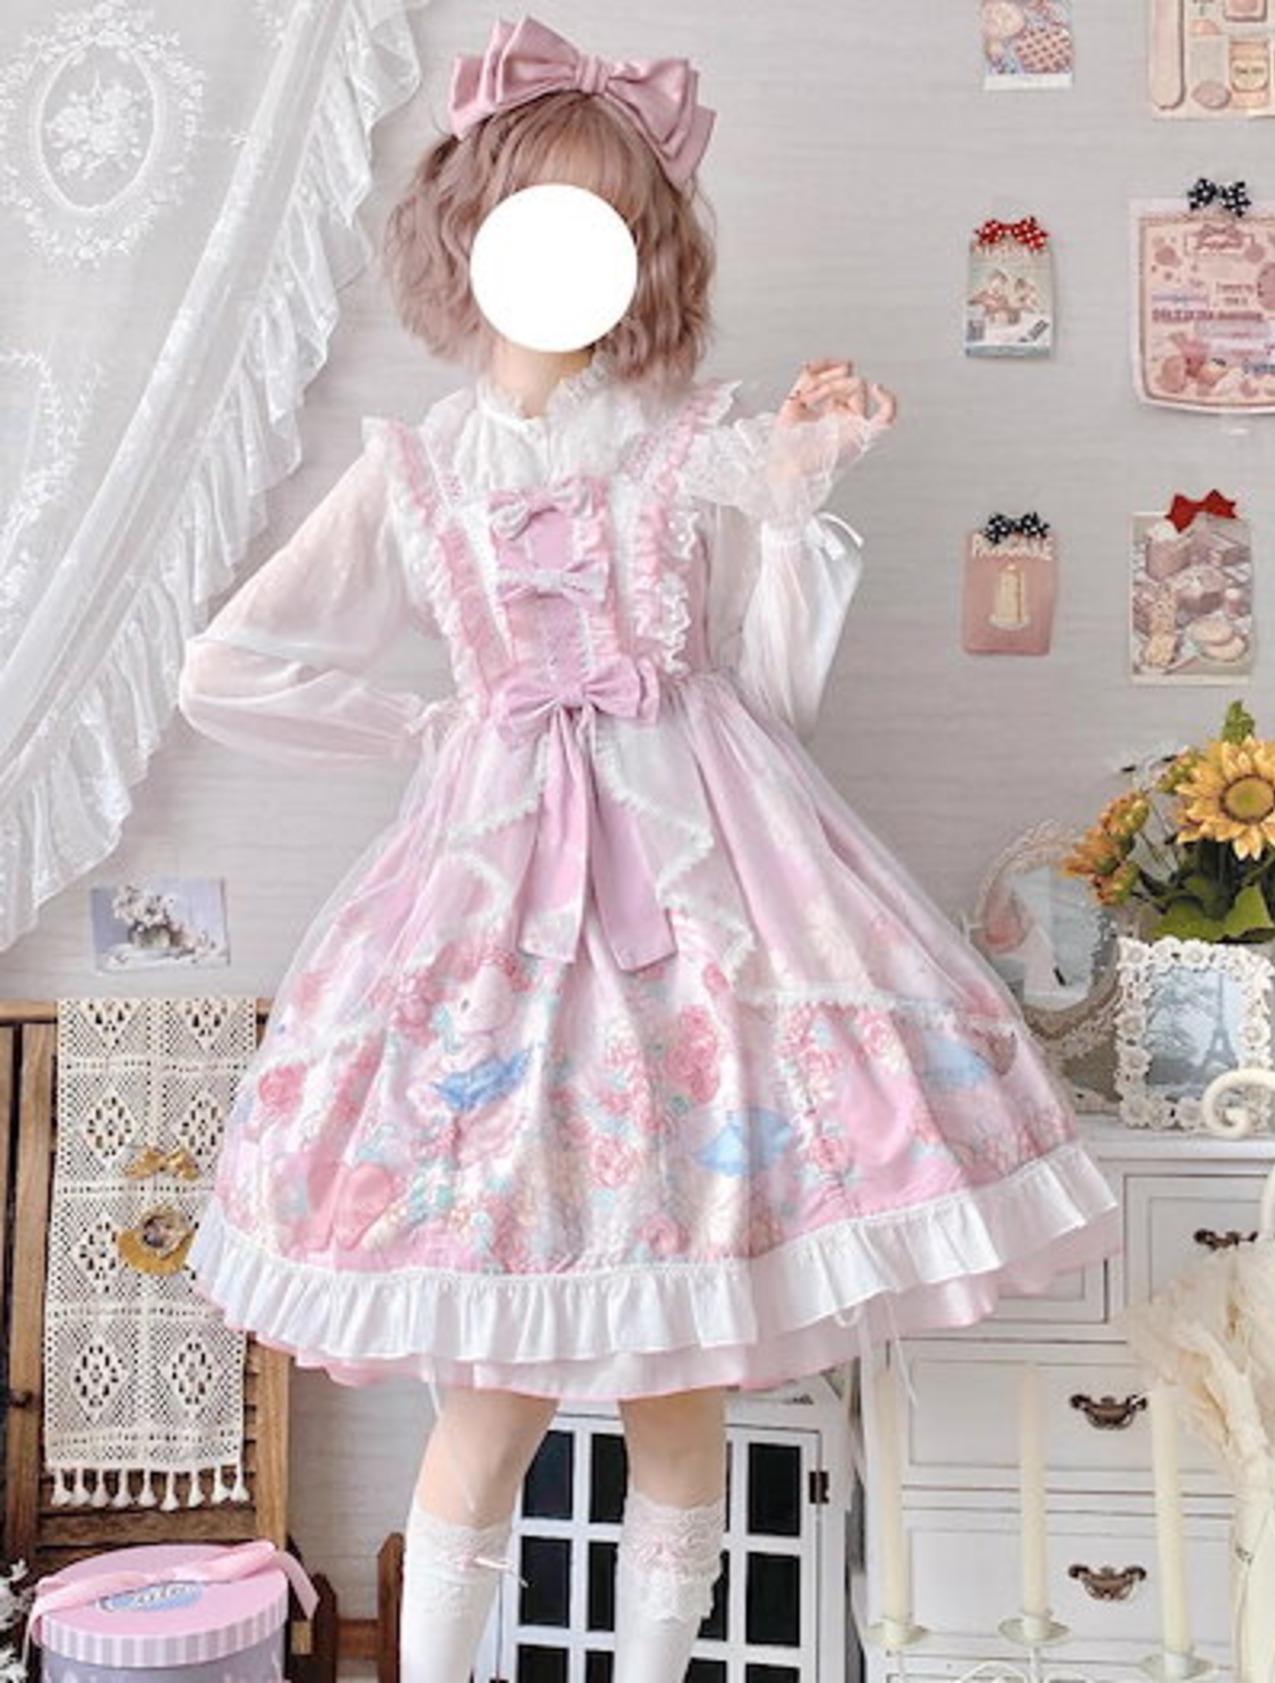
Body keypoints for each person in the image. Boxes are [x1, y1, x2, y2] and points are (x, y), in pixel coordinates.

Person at [178, 17, 1120, 1683]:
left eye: (606, 221)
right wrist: (433, 731)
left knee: (684, 1387)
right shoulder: (416, 473)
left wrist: (796, 495)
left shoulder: (700, 448)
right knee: (491, 1394)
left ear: (648, 250)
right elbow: (230, 667)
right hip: (492, 917)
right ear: (469, 229)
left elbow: (772, 695)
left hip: (713, 899)